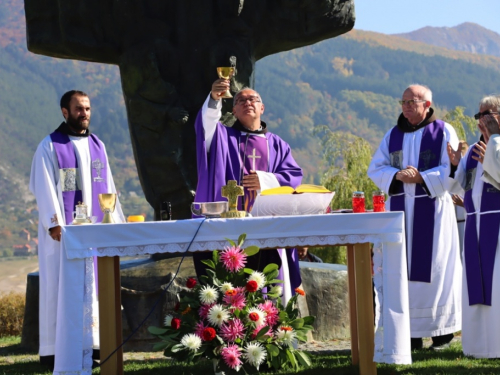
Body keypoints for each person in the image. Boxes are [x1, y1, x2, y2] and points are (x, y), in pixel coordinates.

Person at [29, 90, 125, 370]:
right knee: (61, 289)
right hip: (63, 236)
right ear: (64, 112)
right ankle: (54, 351)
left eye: (88, 108)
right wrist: (54, 221)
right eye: (78, 108)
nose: (84, 113)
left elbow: (108, 186)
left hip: (95, 234)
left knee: (95, 289)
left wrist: (114, 224)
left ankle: (94, 345)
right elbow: (43, 185)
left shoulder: (98, 145)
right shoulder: (49, 145)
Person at [368, 84, 462, 351]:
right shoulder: (393, 134)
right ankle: (409, 335)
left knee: (436, 269)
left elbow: (453, 169)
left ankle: (441, 334)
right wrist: (397, 176)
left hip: (432, 212)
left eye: (413, 101)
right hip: (399, 211)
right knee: (402, 271)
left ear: (427, 104)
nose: (407, 106)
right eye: (404, 101)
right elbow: (375, 167)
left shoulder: (443, 131)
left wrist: (421, 177)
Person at [193, 78, 303, 302]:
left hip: (268, 224)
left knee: (269, 285)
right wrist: (214, 100)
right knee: (231, 287)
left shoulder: (277, 145)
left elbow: (294, 178)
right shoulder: (223, 137)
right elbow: (205, 126)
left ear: (262, 108)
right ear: (233, 110)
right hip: (231, 226)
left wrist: (266, 180)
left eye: (253, 99)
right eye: (240, 100)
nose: (247, 102)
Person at [448, 95, 500, 358]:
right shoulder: (471, 151)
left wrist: (490, 157)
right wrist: (456, 163)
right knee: (475, 285)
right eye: (479, 115)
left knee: (496, 285)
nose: (482, 120)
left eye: (487, 114)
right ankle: (478, 346)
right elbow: (457, 185)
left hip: (497, 224)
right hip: (474, 225)